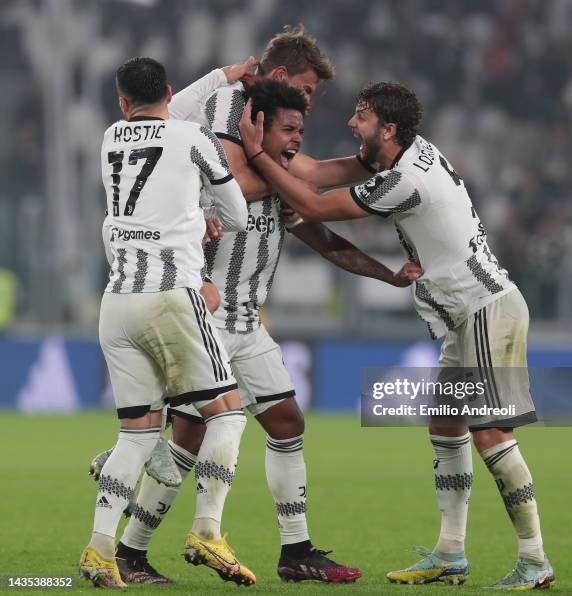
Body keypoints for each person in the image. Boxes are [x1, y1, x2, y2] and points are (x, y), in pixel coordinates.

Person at [238, 82, 556, 591]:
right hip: (465, 312)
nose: (351, 123)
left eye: (360, 117)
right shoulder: (403, 152)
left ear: (387, 128)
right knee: (446, 427)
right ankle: (451, 553)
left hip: (486, 307)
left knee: (491, 432)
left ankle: (534, 559)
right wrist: (261, 147)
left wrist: (255, 152)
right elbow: (314, 173)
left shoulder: (405, 180)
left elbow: (315, 206)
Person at [108, 78, 421, 585]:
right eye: (288, 129)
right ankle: (132, 552)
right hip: (204, 322)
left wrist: (387, 275)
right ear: (256, 127)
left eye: (301, 130)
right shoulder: (218, 186)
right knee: (186, 440)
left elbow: (324, 238)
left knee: (286, 422)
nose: (297, 139)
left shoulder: (278, 187)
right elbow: (171, 241)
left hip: (248, 326)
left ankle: (295, 550)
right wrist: (199, 281)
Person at [79, 56, 256, 588]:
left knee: (135, 437)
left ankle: (98, 551)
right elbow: (239, 215)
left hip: (116, 303)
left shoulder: (111, 136)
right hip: (171, 297)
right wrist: (208, 216)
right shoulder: (194, 138)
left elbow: (160, 117)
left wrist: (223, 75)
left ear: (121, 102)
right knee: (227, 416)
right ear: (171, 91)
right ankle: (206, 529)